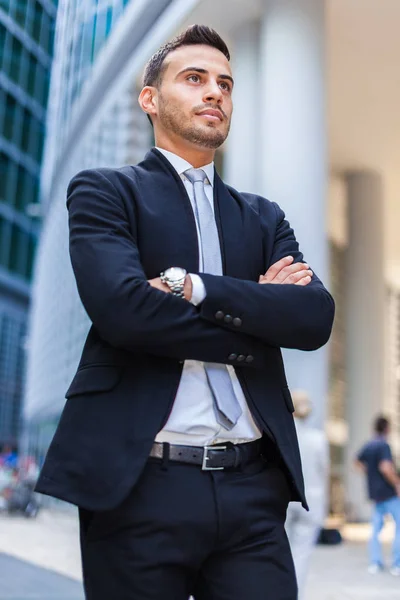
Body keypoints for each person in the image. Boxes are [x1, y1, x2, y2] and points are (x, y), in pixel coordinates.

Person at [35, 25, 335, 600]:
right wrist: (257, 317)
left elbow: (313, 319)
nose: (215, 93)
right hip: (139, 487)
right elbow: (124, 311)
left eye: (225, 83)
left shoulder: (262, 217)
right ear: (150, 99)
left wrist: (189, 286)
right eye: (194, 78)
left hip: (252, 489)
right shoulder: (105, 191)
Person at [285, 390, 329, 598]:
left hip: (283, 499)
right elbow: (324, 471)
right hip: (311, 499)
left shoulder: (282, 437)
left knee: (279, 551)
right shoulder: (318, 438)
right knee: (301, 555)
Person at [356, 416, 400, 576]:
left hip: (375, 493)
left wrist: (370, 474)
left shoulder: (369, 445)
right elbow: (385, 467)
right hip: (389, 493)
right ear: (387, 428)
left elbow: (357, 462)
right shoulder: (384, 445)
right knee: (399, 527)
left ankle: (375, 562)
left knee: (375, 529)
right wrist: (397, 483)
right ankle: (397, 564)